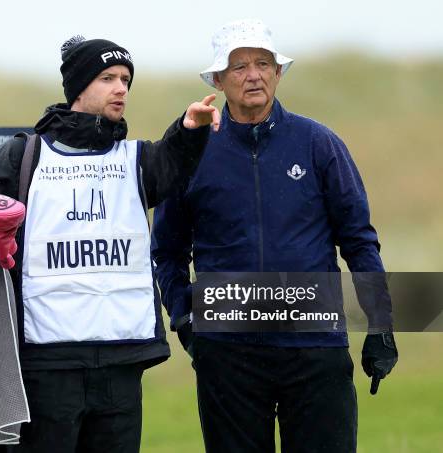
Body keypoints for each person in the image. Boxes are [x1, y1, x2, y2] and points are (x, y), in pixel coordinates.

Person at [0, 35, 220, 453]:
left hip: (122, 363)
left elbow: (172, 164)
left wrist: (189, 129)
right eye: (108, 77)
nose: (121, 88)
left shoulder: (135, 159)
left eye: (126, 79)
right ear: (77, 88)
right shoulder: (24, 155)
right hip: (45, 365)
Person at [151, 19, 398, 453]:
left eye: (263, 64)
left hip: (315, 347)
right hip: (228, 353)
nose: (254, 75)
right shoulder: (193, 152)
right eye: (240, 66)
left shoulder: (320, 144)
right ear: (219, 80)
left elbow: (358, 239)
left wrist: (380, 323)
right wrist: (184, 317)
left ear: (278, 73)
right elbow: (167, 250)